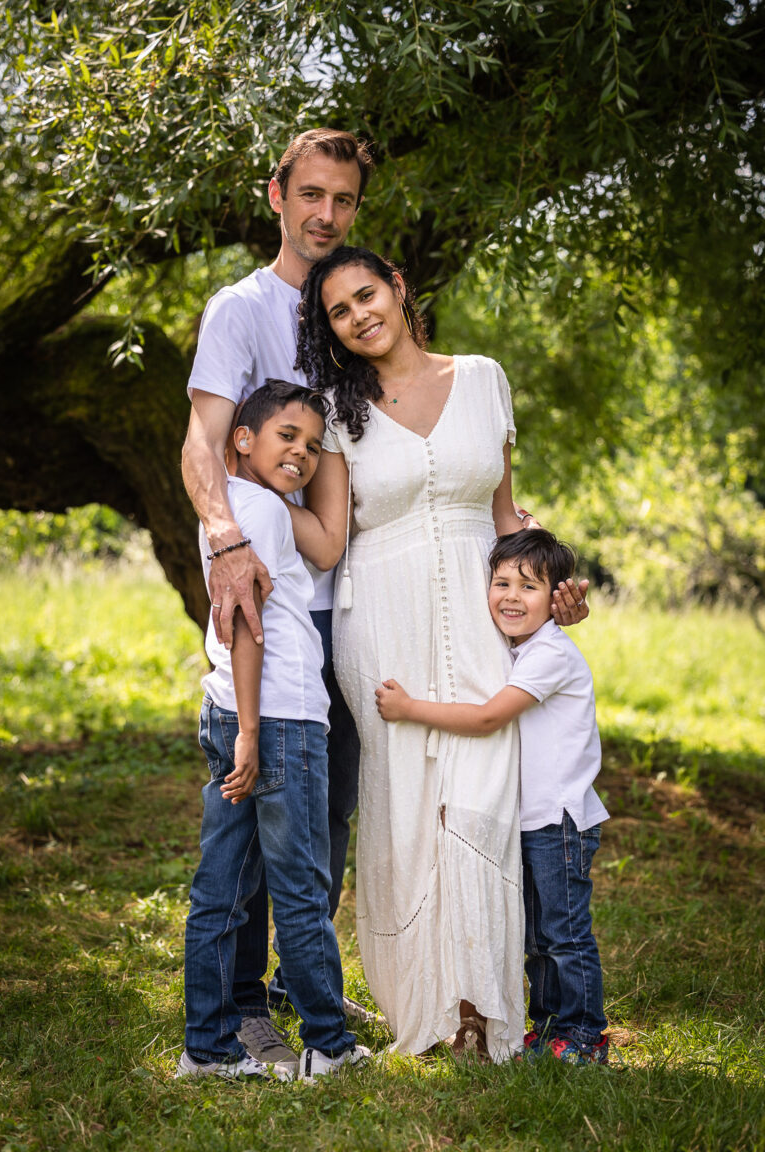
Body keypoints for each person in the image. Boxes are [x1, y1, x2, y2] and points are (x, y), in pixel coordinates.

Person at [286, 246, 590, 1061]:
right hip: (380, 614)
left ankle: (484, 1005)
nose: (358, 317)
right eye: (338, 313)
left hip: (483, 602)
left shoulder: (485, 376)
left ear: (397, 286)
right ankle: (429, 1008)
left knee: (485, 787)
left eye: (366, 296)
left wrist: (553, 589)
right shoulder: (337, 408)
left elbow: (504, 516)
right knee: (407, 804)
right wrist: (246, 515)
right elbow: (332, 534)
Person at [181, 128, 374, 1069]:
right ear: (277, 194)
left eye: (343, 200)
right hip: (268, 588)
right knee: (262, 814)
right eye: (312, 195)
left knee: (325, 807)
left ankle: (306, 992)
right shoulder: (239, 309)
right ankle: (247, 1008)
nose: (326, 215)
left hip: (344, 595)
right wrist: (223, 543)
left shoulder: (354, 304)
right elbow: (200, 443)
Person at [178, 380, 370, 1083]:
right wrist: (255, 734)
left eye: (315, 445)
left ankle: (207, 1047)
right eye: (289, 436)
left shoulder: (239, 506)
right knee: (299, 886)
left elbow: (322, 547)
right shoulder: (258, 508)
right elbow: (246, 624)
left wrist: (241, 726)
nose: (304, 452)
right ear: (242, 438)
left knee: (222, 887)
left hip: (232, 707)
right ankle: (328, 1043)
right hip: (279, 715)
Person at [375, 529, 610, 1064]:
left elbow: (486, 718)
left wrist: (412, 709)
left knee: (564, 933)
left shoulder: (550, 653)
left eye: (528, 586)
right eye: (500, 582)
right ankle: (549, 1026)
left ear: (556, 600)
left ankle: (582, 1034)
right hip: (529, 821)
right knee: (537, 935)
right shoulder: (514, 650)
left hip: (560, 819)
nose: (509, 595)